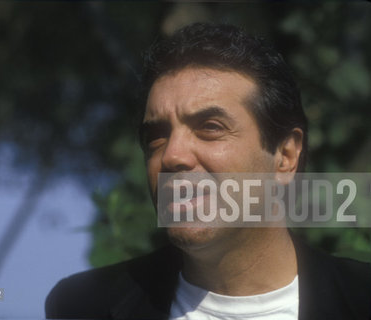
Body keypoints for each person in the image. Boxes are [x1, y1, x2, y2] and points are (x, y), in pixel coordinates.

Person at [45, 23, 371, 320]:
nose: (172, 156)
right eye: (157, 135)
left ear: (285, 156)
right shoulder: (82, 306)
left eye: (210, 127)